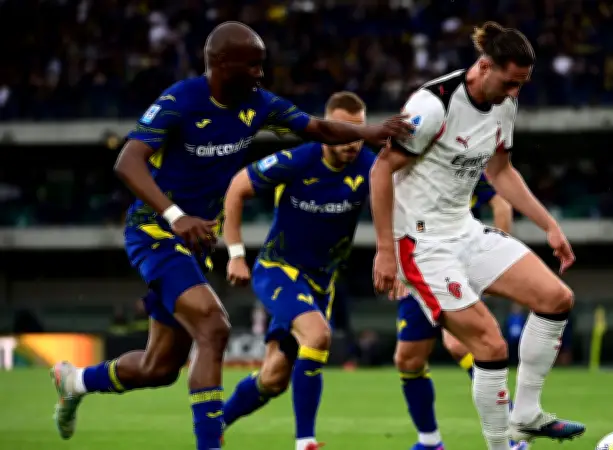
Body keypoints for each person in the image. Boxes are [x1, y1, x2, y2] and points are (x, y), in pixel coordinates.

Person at [48, 23, 410, 450]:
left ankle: (76, 381)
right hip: (155, 231)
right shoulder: (181, 100)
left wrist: (370, 133)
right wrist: (176, 215)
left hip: (195, 243)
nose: (260, 73)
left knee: (159, 368)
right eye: (252, 65)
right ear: (220, 64)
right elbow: (127, 162)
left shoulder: (259, 103)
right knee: (214, 327)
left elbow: (317, 128)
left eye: (262, 64)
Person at [370, 21, 586, 450]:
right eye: (510, 82)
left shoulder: (505, 103)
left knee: (557, 298)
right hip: (421, 243)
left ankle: (526, 415)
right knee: (489, 345)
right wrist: (384, 250)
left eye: (521, 84)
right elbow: (381, 170)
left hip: (465, 230)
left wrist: (549, 225)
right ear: (485, 67)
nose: (514, 92)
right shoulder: (433, 105)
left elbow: (500, 172)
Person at [220, 92, 404, 450]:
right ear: (324, 129)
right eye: (343, 131)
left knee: (273, 378)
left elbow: (400, 205)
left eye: (358, 132)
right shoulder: (298, 160)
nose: (352, 141)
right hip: (278, 270)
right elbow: (237, 187)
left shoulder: (370, 167)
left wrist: (393, 255)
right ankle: (305, 442)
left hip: (321, 283)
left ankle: (216, 423)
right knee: (318, 335)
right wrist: (236, 255)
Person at [394, 174, 515, 450]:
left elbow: (502, 207)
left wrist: (494, 261)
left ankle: (511, 431)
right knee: (408, 359)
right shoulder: (402, 171)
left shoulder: (461, 165)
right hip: (417, 270)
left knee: (459, 344)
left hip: (455, 265)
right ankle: (429, 442)